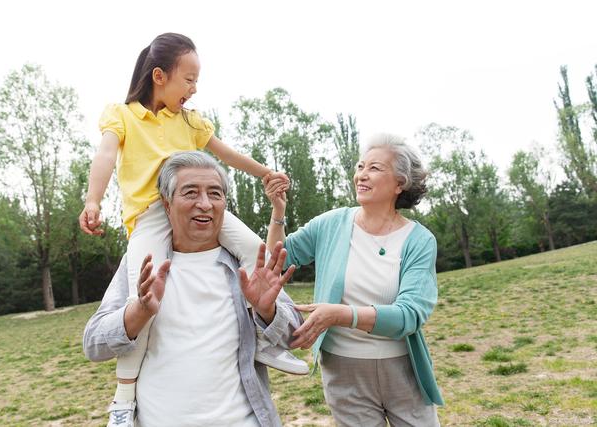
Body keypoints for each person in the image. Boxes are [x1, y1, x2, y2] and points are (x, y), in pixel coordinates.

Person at [78, 33, 306, 427]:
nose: (195, 89)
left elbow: (225, 153)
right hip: (150, 215)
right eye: (189, 79)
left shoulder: (190, 121)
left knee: (257, 253)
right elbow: (105, 155)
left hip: (194, 204)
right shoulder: (123, 115)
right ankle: (124, 393)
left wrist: (266, 173)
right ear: (160, 76)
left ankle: (268, 341)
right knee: (141, 297)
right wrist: (93, 201)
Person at [84, 152, 303, 427]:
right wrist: (138, 312)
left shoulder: (247, 265)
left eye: (215, 194)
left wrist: (266, 310)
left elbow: (294, 336)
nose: (205, 204)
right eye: (190, 193)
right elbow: (94, 344)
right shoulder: (142, 264)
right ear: (167, 205)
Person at [265, 133, 444, 426]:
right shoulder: (331, 223)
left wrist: (339, 315)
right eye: (360, 166)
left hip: (402, 367)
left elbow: (410, 315)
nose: (362, 174)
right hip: (342, 368)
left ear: (400, 184)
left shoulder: (419, 240)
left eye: (375, 168)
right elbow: (277, 261)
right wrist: (278, 211)